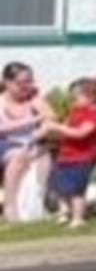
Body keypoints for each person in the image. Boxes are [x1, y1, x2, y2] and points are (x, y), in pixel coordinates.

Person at [42, 77, 96, 228]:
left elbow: (81, 133)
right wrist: (54, 130)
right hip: (66, 157)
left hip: (81, 158)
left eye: (75, 98)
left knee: (76, 189)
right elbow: (67, 128)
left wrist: (58, 128)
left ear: (90, 98)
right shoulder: (76, 112)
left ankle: (78, 218)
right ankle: (65, 212)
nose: (72, 101)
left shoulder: (94, 115)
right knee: (62, 187)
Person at [1, 61, 52, 222]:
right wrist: (34, 120)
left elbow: (50, 118)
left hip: (32, 142)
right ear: (7, 82)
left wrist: (37, 134)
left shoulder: (34, 99)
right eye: (21, 83)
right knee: (17, 158)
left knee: (44, 157)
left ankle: (37, 204)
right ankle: (11, 206)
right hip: (7, 143)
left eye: (29, 81)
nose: (26, 86)